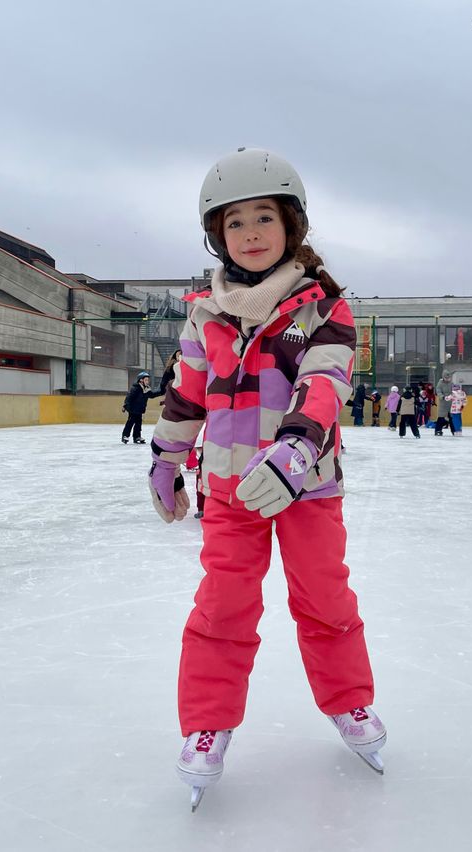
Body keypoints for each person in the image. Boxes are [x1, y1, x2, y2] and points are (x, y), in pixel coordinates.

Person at [146, 147, 385, 807]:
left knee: (324, 599)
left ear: (292, 227)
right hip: (228, 489)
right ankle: (206, 725)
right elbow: (186, 394)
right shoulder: (205, 314)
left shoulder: (318, 309)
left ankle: (350, 703)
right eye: (235, 223)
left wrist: (295, 453)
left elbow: (324, 381)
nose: (250, 234)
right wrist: (167, 457)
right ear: (217, 236)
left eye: (264, 218)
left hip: (305, 485)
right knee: (223, 606)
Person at [121, 371, 157, 444]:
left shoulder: (146, 389)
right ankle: (125, 436)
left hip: (139, 410)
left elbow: (152, 395)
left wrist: (162, 391)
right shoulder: (135, 388)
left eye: (148, 380)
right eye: (146, 380)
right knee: (130, 422)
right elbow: (129, 397)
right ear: (141, 380)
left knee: (138, 423)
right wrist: (125, 405)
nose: (147, 381)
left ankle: (137, 437)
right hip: (133, 409)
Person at [434, 370, 454, 436]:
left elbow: (454, 390)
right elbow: (438, 390)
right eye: (446, 378)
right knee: (441, 417)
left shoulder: (451, 383)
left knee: (452, 418)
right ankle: (438, 430)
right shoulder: (440, 383)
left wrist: (453, 395)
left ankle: (454, 431)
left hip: (451, 403)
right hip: (443, 402)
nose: (447, 379)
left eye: (448, 378)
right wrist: (442, 396)